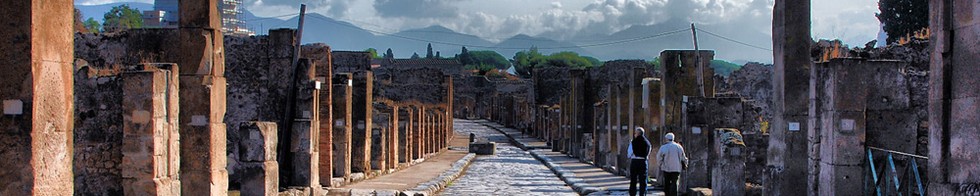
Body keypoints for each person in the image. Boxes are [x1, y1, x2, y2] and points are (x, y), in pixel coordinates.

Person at [627, 127, 652, 196]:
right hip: (643, 162)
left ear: (637, 134)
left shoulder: (633, 142)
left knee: (633, 180)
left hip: (635, 162)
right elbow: (648, 152)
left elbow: (629, 153)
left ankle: (632, 193)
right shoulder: (647, 143)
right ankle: (643, 193)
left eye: (635, 133)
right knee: (643, 180)